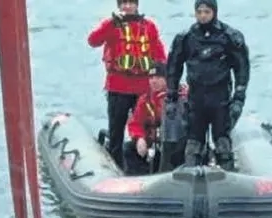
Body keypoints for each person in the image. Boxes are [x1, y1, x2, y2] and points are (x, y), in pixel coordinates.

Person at [165, 0, 250, 171]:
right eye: (200, 12)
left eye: (207, 12)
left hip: (220, 99)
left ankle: (229, 179)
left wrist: (239, 96)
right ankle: (191, 178)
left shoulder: (229, 37)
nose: (203, 16)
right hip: (196, 99)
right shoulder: (186, 38)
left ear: (214, 12)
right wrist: (172, 96)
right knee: (193, 144)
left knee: (222, 143)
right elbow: (174, 66)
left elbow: (242, 67)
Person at [88, 0, 166, 169]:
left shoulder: (149, 27)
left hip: (144, 88)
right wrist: (109, 25)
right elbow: (93, 41)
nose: (127, 6)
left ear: (137, 5)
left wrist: (165, 82)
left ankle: (146, 166)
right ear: (119, 6)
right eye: (124, 3)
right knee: (116, 131)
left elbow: (160, 57)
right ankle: (116, 168)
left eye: (131, 3)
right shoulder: (111, 25)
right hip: (118, 86)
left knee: (147, 129)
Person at [123, 63, 188, 176]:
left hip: (178, 145)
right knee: (128, 148)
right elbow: (135, 123)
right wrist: (139, 138)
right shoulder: (145, 100)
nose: (153, 81)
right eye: (151, 78)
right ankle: (140, 180)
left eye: (158, 77)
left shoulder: (183, 96)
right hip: (154, 144)